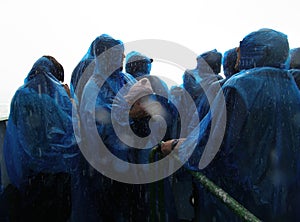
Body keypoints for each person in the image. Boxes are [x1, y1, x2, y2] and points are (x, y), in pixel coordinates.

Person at [162, 28, 300, 221]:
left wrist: (176, 146)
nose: (237, 51)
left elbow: (209, 147)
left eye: (242, 46)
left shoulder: (239, 86)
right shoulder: (291, 86)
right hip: (284, 200)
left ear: (259, 50)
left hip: (240, 198)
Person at [3, 55, 79, 221]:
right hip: (55, 173)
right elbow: (71, 129)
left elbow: (16, 135)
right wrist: (69, 98)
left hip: (31, 174)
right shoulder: (52, 100)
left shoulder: (19, 95)